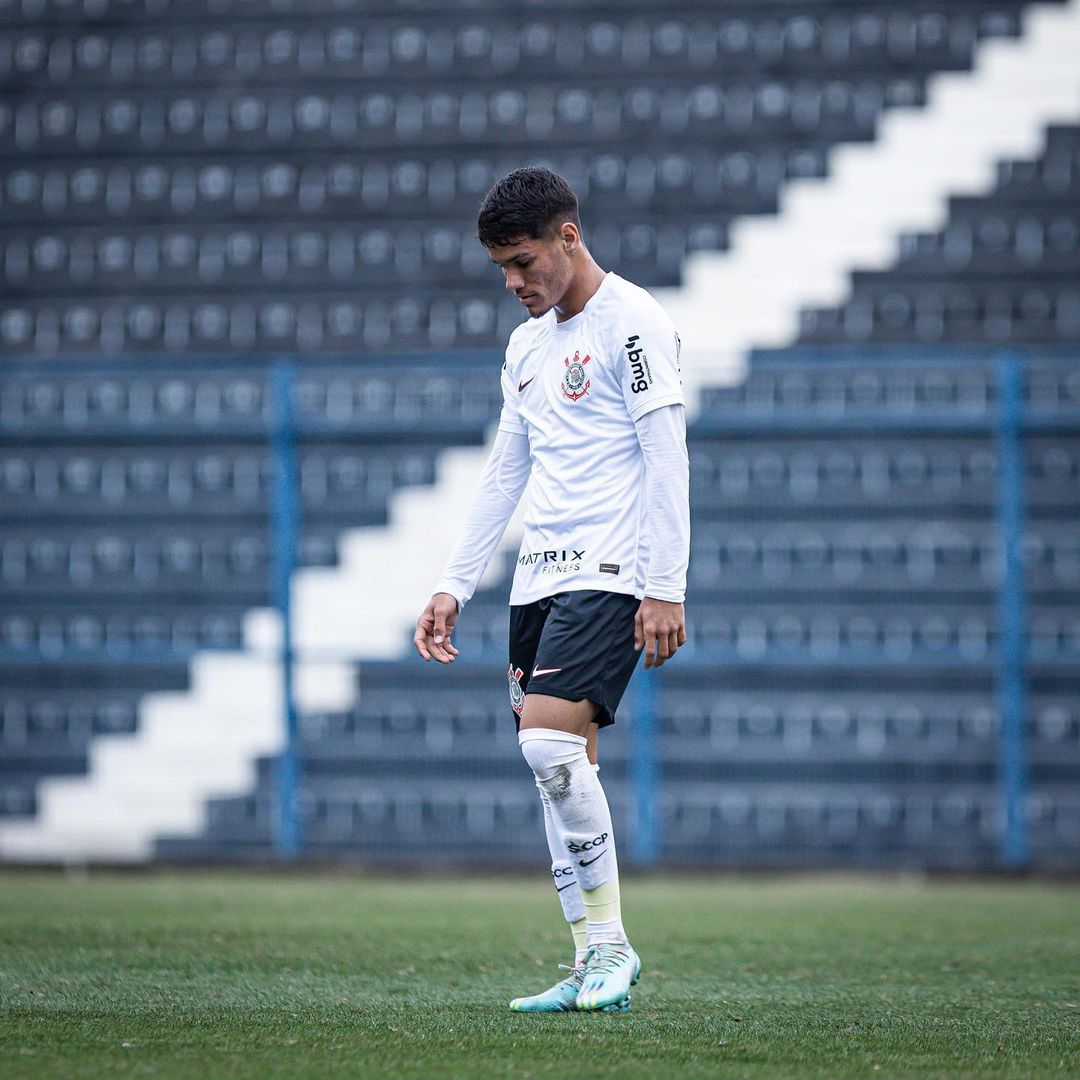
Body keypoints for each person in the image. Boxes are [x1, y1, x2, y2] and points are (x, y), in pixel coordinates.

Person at [413, 166, 690, 1013]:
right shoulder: (525, 348)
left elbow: (665, 456)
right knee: (558, 768)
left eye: (525, 262)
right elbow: (508, 469)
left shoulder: (633, 323)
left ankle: (611, 946)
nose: (514, 283)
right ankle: (587, 963)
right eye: (503, 268)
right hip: (537, 583)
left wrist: (665, 586)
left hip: (610, 574)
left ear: (569, 237)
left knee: (545, 746)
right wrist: (455, 582)